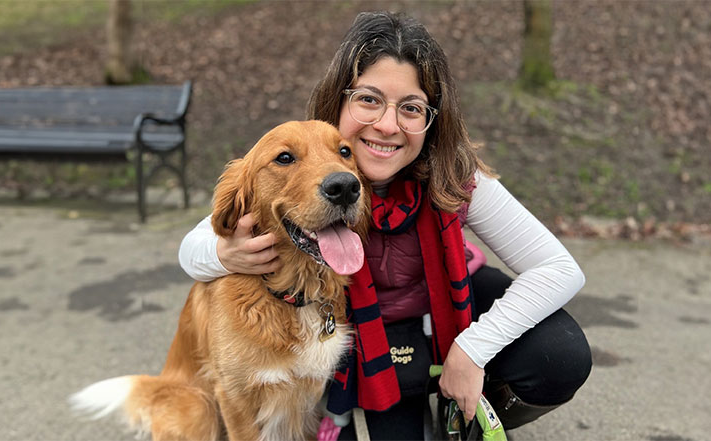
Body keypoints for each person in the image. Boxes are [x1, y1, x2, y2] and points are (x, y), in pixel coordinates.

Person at [179, 11, 591, 440]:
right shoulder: (314, 159)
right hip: (367, 336)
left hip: (440, 316)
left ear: (431, 121)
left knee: (558, 354)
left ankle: (469, 412)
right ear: (339, 102)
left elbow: (559, 269)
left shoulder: (455, 175)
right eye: (369, 100)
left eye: (410, 108)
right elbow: (197, 242)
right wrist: (223, 253)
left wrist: (472, 350)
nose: (388, 126)